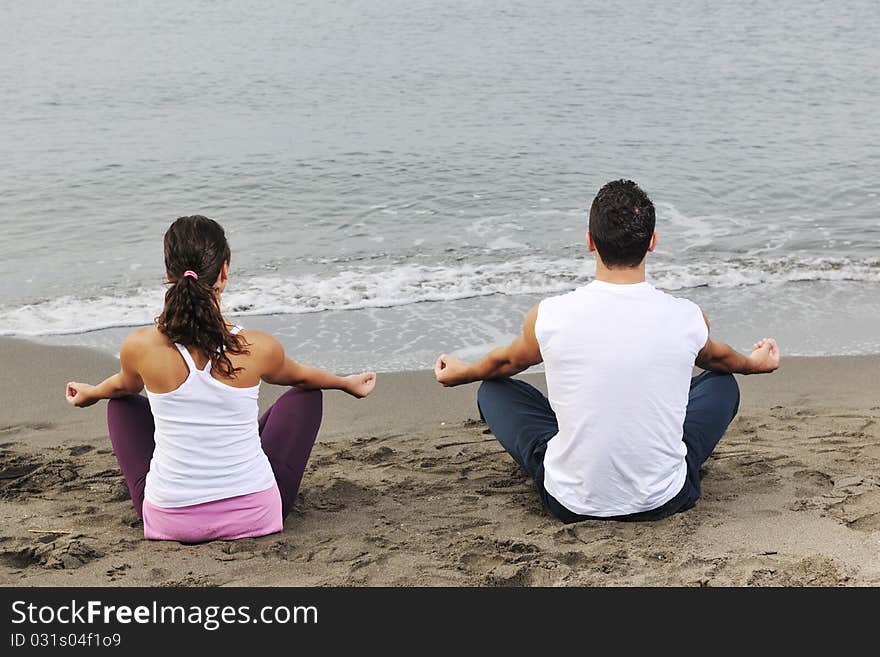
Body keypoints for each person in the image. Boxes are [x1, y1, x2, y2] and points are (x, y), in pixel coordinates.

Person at [434, 180, 780, 523]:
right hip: (663, 500)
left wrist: (461, 373)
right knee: (722, 382)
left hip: (569, 502)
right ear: (653, 243)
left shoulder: (551, 315)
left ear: (589, 242)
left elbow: (505, 362)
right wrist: (754, 364)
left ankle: (580, 452)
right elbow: (721, 360)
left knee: (493, 387)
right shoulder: (686, 316)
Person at [66, 215, 376, 542]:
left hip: (171, 522)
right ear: (224, 272)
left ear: (169, 274)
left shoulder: (140, 346)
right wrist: (344, 382)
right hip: (254, 517)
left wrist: (92, 393)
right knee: (308, 394)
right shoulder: (256, 346)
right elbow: (301, 376)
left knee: (120, 403)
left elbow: (121, 387)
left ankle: (175, 500)